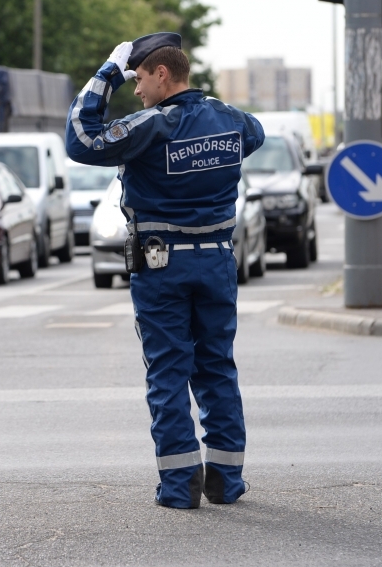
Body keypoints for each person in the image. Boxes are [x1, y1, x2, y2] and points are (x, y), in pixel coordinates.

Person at [66, 33, 265, 509]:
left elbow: (81, 139)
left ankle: (180, 487)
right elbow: (254, 136)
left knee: (169, 372)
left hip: (163, 265)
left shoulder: (152, 126)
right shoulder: (232, 120)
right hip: (217, 260)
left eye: (138, 79)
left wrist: (106, 74)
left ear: (162, 74)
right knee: (217, 367)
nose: (135, 89)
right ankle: (226, 482)